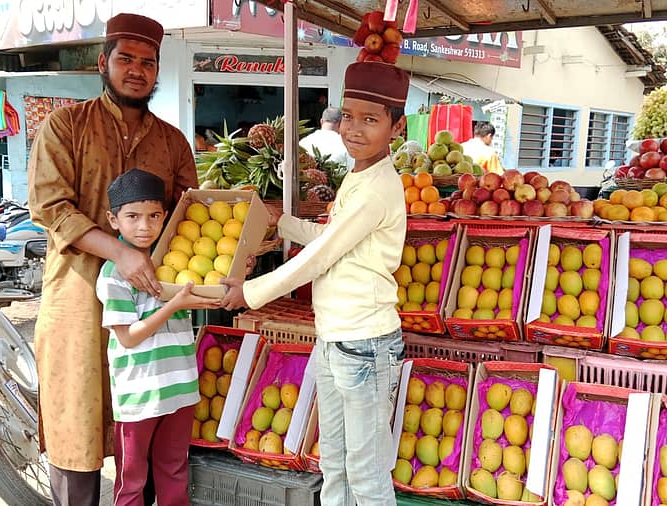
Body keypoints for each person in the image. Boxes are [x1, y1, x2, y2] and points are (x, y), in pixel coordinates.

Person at [27, 12, 199, 505]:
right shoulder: (66, 126)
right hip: (78, 301)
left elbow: (191, 215)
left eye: (148, 62)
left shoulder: (172, 141)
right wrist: (119, 252)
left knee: (145, 434)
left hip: (150, 301)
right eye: (126, 59)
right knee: (77, 432)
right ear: (104, 63)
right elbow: (50, 206)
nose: (137, 70)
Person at [220, 61, 409, 506]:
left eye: (371, 120)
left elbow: (320, 258)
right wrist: (282, 221)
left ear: (396, 127)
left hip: (365, 345)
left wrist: (248, 294)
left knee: (366, 474)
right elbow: (333, 240)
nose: (355, 129)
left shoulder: (378, 187)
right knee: (334, 465)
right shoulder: (359, 176)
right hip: (335, 340)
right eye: (349, 116)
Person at [96, 169, 216, 506]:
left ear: (165, 217)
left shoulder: (171, 261)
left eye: (153, 216)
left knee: (175, 471)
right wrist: (173, 304)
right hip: (139, 397)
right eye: (132, 217)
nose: (144, 226)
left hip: (179, 389)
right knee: (132, 482)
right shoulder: (115, 274)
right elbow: (129, 338)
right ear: (113, 220)